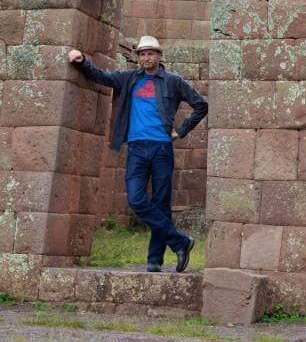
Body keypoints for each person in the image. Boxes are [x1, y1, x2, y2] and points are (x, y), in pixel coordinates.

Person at [68, 36, 208, 273]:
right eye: (142, 54)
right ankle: (180, 241)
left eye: (150, 53)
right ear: (138, 57)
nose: (146, 58)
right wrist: (82, 62)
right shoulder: (129, 78)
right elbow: (102, 77)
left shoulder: (173, 81)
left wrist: (180, 131)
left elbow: (201, 105)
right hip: (136, 148)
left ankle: (155, 261)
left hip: (162, 148)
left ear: (159, 55)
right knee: (136, 199)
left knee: (161, 204)